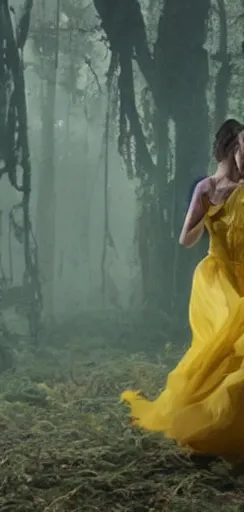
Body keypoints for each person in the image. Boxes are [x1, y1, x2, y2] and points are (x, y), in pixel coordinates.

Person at [121, 118, 244, 464]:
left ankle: (228, 429)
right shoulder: (205, 188)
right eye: (241, 149)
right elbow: (186, 239)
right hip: (216, 278)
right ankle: (202, 426)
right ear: (231, 149)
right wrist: (206, 215)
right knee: (220, 350)